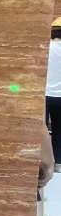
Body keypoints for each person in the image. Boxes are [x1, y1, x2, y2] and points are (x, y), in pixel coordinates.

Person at [45, 17, 61, 167]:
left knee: (41, 131)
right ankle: (58, 163)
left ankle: (41, 164)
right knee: (59, 130)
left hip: (43, 95)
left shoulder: (46, 47)